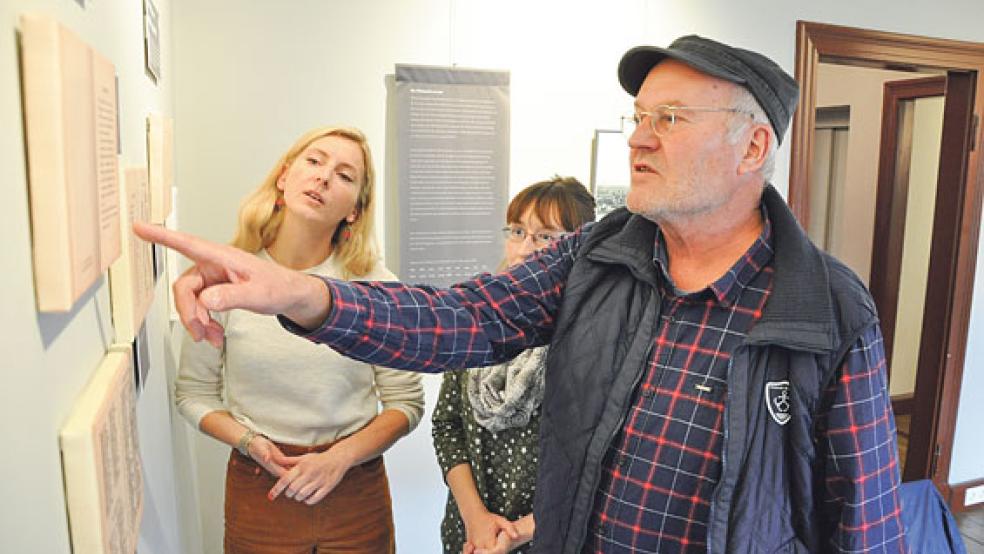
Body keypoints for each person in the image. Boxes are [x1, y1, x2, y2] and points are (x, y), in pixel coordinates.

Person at [138, 35, 908, 553]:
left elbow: (866, 524)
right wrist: (303, 295)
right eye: (639, 117)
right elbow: (461, 318)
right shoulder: (601, 256)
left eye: (669, 118)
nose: (639, 137)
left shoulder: (827, 311)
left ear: (753, 145)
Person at [174, 126, 424, 553]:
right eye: (314, 161)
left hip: (354, 489)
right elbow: (193, 393)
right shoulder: (226, 280)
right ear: (284, 176)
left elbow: (406, 402)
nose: (324, 177)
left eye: (345, 175)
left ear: (355, 210)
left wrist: (340, 458)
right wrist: (251, 443)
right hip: (261, 484)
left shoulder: (376, 287)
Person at [432, 177, 596, 554]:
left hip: (550, 537)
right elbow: (447, 424)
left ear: (577, 247)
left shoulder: (593, 334)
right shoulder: (479, 317)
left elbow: (601, 461)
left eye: (546, 237)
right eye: (518, 231)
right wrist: (476, 519)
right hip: (471, 535)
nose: (523, 251)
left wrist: (519, 532)